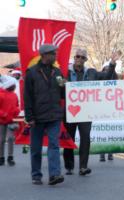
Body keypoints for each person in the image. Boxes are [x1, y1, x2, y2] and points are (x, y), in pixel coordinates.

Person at [63, 49, 117, 175]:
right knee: (69, 139)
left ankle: (83, 166)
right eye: (78, 57)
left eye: (83, 57)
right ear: (74, 57)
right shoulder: (65, 72)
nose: (80, 59)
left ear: (85, 60)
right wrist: (62, 84)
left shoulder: (91, 72)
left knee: (85, 138)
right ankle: (69, 166)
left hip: (86, 111)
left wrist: (112, 64)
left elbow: (106, 77)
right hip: (69, 111)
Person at [24, 44, 65, 185]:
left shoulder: (58, 72)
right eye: (53, 53)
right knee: (36, 148)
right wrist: (29, 117)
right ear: (45, 55)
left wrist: (69, 86)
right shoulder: (31, 72)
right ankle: (36, 175)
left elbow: (63, 92)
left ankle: (54, 175)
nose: (56, 56)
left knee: (54, 144)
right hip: (37, 117)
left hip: (54, 115)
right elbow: (27, 96)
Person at [0, 76, 20, 166]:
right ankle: (1, 157)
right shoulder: (1, 94)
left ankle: (10, 157)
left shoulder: (14, 95)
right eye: (13, 85)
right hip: (1, 120)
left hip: (11, 120)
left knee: (11, 138)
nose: (15, 86)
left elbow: (16, 105)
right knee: (1, 139)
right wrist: (3, 114)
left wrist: (16, 111)